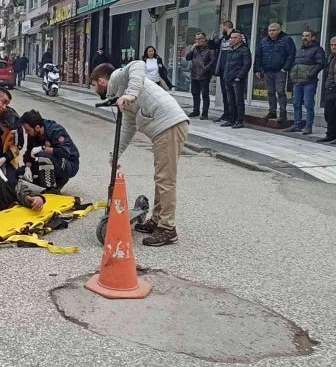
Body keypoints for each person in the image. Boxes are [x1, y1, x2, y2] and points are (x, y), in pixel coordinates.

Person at [90, 61, 189, 247]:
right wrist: (115, 154)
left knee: (165, 179)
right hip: (163, 129)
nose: (95, 89)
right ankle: (157, 220)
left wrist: (131, 94)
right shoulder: (120, 93)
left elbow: (138, 64)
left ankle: (168, 228)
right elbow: (128, 126)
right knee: (161, 177)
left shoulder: (118, 77)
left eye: (94, 85)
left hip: (170, 125)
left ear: (102, 81)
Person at [20, 110, 80, 191]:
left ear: (37, 127)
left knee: (43, 155)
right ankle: (55, 180)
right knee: (19, 173)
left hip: (68, 164)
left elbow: (64, 152)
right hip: (50, 162)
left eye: (27, 130)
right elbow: (29, 153)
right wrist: (27, 168)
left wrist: (43, 148)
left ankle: (52, 188)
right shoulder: (33, 134)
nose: (26, 132)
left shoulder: (55, 130)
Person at [285, 30, 327, 135]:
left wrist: (310, 74)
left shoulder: (318, 49)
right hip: (297, 81)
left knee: (308, 104)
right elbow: (295, 63)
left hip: (309, 82)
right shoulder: (299, 50)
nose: (304, 38)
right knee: (296, 103)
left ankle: (308, 126)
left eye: (307, 36)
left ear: (313, 37)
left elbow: (321, 63)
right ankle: (297, 124)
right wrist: (292, 74)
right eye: (303, 36)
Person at [254, 23, 296, 123]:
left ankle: (283, 113)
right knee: (270, 92)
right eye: (269, 30)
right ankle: (272, 111)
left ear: (279, 31)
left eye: (274, 30)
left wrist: (285, 68)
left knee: (280, 92)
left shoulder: (286, 40)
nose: (271, 32)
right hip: (267, 71)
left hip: (280, 71)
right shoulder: (264, 41)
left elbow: (291, 55)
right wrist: (257, 69)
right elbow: (258, 55)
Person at [221, 31, 253, 129]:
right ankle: (232, 119)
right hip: (228, 78)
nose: (232, 39)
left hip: (237, 79)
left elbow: (247, 65)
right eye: (231, 38)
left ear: (240, 39)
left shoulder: (244, 50)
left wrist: (239, 77)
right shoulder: (230, 50)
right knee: (230, 101)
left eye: (235, 38)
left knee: (239, 101)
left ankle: (240, 120)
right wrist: (225, 76)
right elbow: (227, 64)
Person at [185, 32, 216, 119]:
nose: (198, 41)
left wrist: (205, 69)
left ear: (204, 39)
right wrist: (192, 49)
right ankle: (196, 110)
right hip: (194, 74)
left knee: (205, 94)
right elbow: (188, 58)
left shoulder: (209, 48)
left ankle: (205, 113)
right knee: (195, 94)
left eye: (200, 39)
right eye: (196, 39)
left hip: (204, 75)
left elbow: (213, 60)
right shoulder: (195, 48)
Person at [213, 21, 235, 123]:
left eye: (222, 27)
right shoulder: (224, 38)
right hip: (223, 70)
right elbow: (214, 46)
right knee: (225, 94)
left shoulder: (236, 36)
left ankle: (232, 116)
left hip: (231, 70)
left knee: (231, 94)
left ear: (226, 27)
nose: (221, 29)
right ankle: (226, 114)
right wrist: (212, 39)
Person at [319, 37, 336, 144]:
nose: (333, 47)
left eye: (335, 45)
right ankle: (330, 135)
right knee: (329, 114)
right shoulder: (331, 57)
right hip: (329, 89)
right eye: (332, 45)